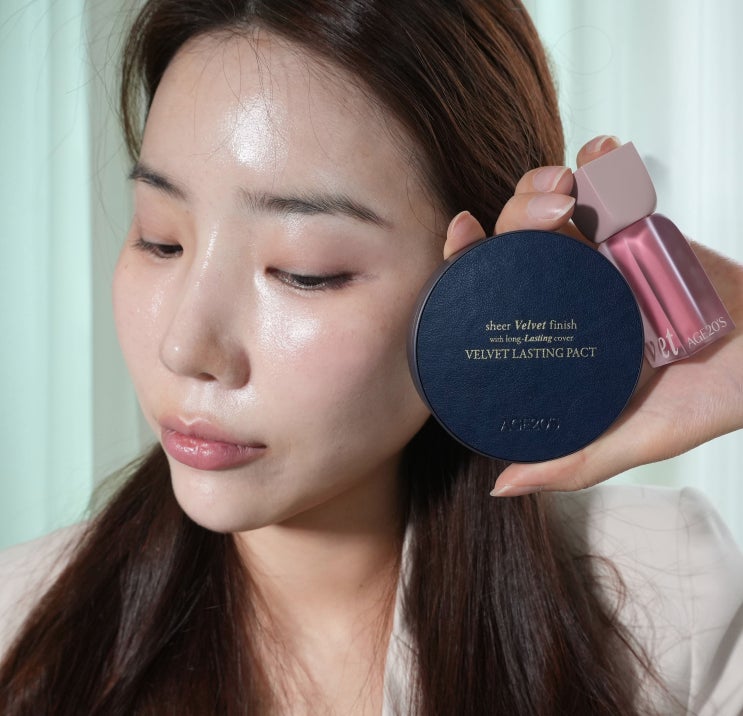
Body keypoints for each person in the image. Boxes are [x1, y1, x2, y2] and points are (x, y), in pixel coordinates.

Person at [1, 0, 742, 713]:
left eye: (304, 271)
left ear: (483, 277)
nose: (184, 347)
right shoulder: (18, 634)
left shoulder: (671, 595)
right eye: (160, 239)